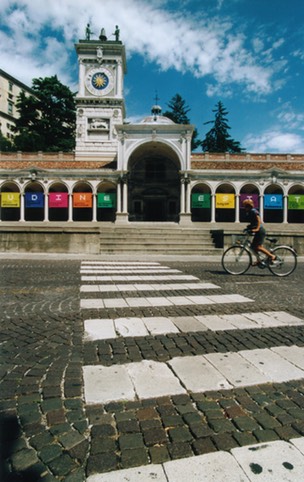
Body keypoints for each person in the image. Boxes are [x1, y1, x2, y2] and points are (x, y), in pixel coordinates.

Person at [243, 199, 278, 266]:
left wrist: (257, 228)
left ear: (248, 206)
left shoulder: (253, 211)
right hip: (258, 231)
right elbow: (253, 222)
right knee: (253, 247)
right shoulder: (250, 212)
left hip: (260, 231)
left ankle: (272, 256)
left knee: (258, 247)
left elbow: (259, 220)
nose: (244, 208)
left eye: (245, 206)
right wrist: (248, 228)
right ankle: (258, 260)